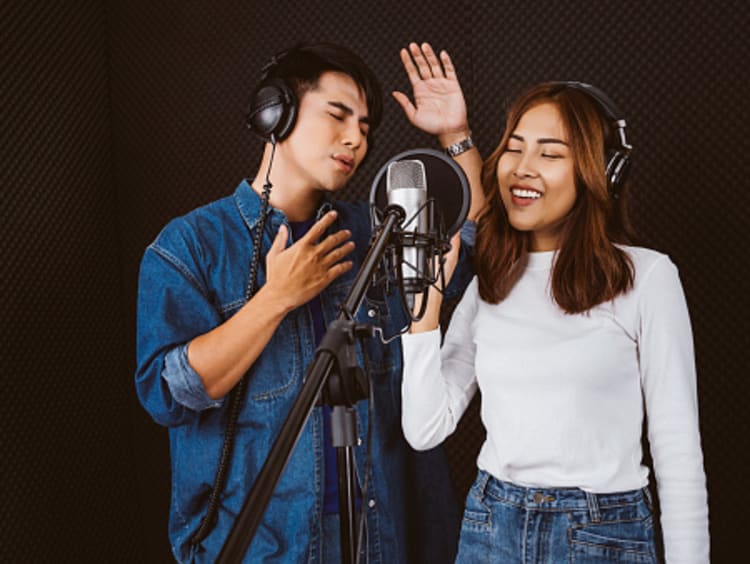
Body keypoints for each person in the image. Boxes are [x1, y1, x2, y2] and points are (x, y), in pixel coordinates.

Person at [135, 41, 481, 563]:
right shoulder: (190, 247)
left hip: (382, 536)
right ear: (276, 113)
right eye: (338, 115)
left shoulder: (375, 231)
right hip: (263, 546)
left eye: (365, 127)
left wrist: (455, 136)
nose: (354, 139)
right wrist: (275, 299)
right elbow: (170, 392)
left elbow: (468, 240)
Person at [401, 81, 710, 563]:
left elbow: (678, 453)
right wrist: (424, 312)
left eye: (549, 154)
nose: (522, 168)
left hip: (603, 534)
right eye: (514, 148)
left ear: (598, 173)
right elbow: (424, 429)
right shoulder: (492, 280)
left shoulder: (646, 277)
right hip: (490, 526)